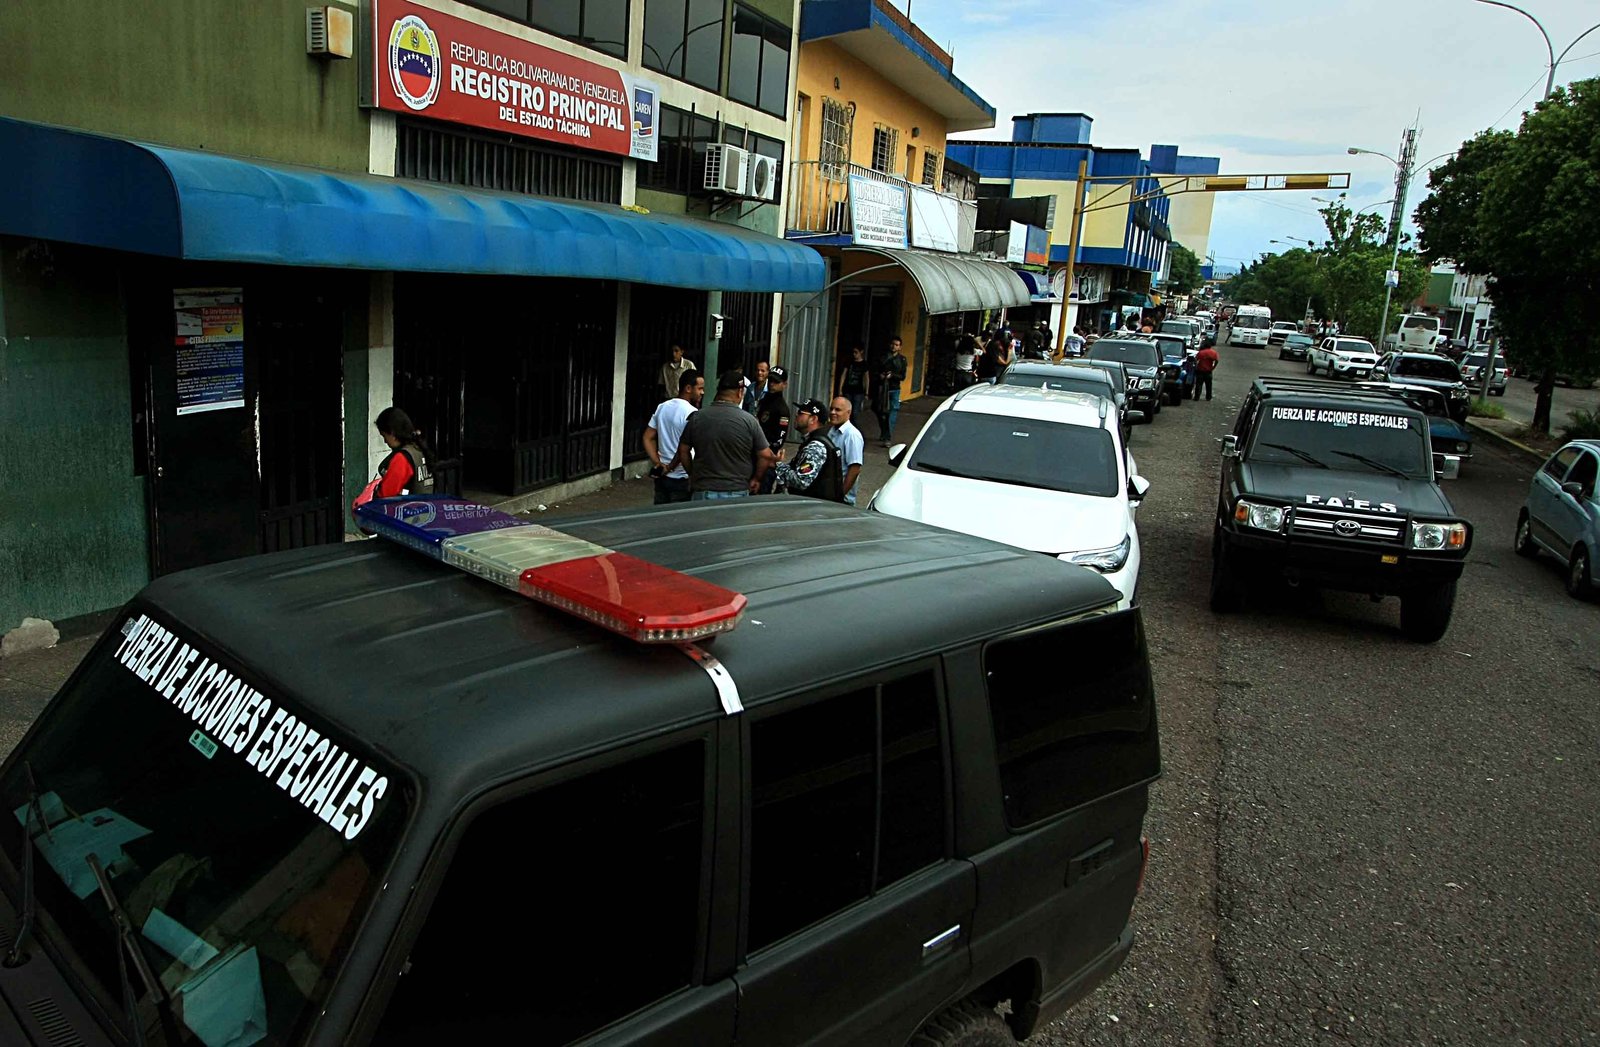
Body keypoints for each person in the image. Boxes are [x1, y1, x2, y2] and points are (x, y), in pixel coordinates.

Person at [667, 371, 774, 499]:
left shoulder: (697, 418)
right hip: (737, 491)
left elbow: (683, 450)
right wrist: (756, 479)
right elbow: (765, 455)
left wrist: (692, 474)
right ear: (740, 392)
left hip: (703, 490)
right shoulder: (749, 421)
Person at [642, 370, 704, 504]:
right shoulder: (692, 413)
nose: (702, 392)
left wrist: (658, 463)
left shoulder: (662, 407)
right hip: (682, 477)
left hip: (662, 477)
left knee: (660, 513)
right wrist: (669, 467)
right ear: (688, 388)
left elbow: (647, 437)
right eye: (699, 388)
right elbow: (683, 449)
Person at [773, 399, 844, 500]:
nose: (796, 415)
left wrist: (778, 465)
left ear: (813, 419)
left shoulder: (816, 447)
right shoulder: (814, 440)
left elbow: (801, 481)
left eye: (800, 413)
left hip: (814, 507)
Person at [372, 407, 434, 497]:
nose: (385, 441)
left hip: (408, 505)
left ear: (392, 433)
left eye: (384, 436)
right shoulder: (419, 449)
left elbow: (385, 494)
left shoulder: (402, 458)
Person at [754, 367, 793, 493]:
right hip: (754, 454)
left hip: (768, 458)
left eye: (776, 382)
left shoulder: (782, 409)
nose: (772, 384)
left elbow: (779, 440)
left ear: (784, 384)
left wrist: (765, 450)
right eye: (770, 380)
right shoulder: (764, 400)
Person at [827, 397, 865, 505]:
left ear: (848, 413)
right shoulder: (832, 431)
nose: (832, 412)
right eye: (831, 409)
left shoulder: (852, 435)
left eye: (838, 410)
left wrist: (840, 495)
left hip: (842, 501)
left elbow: (855, 469)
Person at [875, 337, 908, 446]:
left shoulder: (902, 360)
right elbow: (875, 370)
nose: (894, 346)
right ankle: (884, 431)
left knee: (892, 412)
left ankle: (887, 437)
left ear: (900, 347)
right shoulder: (883, 357)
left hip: (894, 388)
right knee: (879, 410)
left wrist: (892, 375)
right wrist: (880, 375)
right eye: (893, 344)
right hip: (882, 388)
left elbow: (903, 376)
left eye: (897, 345)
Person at [836, 346, 869, 420]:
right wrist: (840, 389)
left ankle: (853, 425)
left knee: (855, 412)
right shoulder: (849, 362)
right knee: (846, 410)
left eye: (856, 352)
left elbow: (866, 378)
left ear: (861, 352)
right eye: (853, 352)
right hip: (848, 390)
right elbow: (843, 375)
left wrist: (866, 392)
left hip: (858, 391)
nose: (854, 354)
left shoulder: (864, 364)